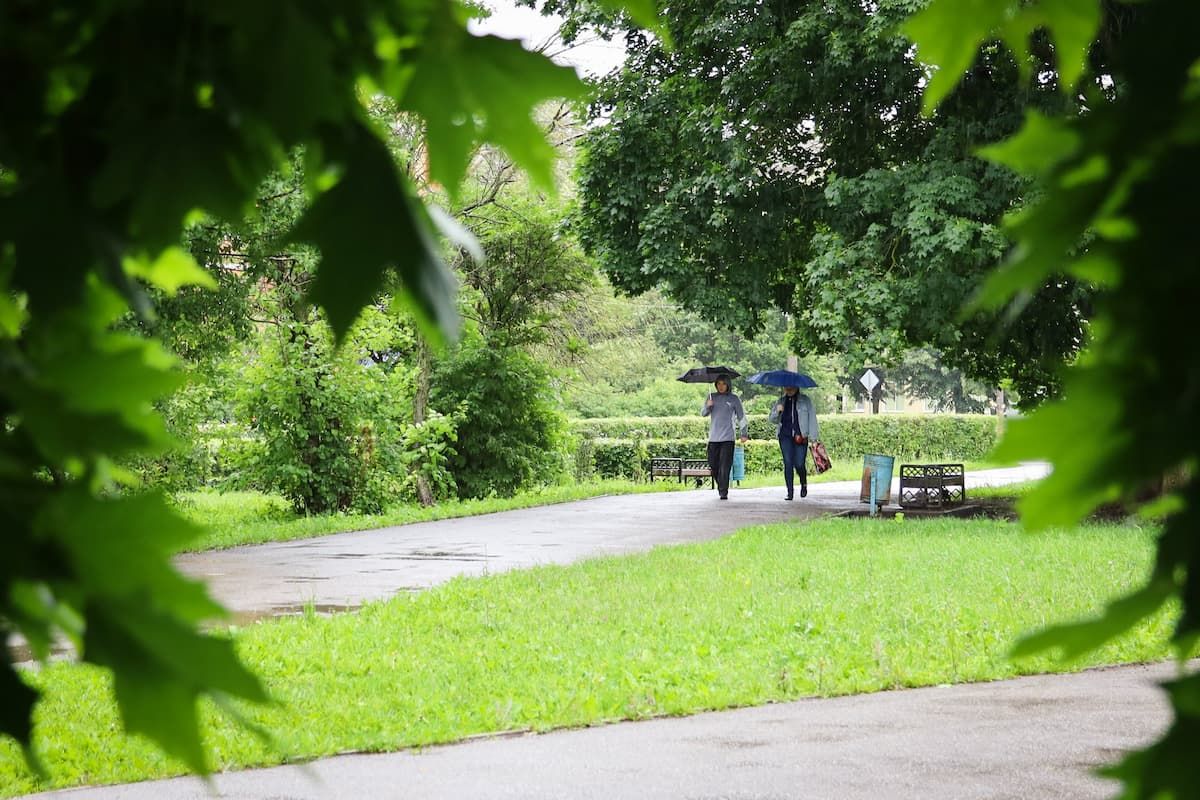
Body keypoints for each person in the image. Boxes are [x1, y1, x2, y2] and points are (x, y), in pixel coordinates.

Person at [700, 375, 748, 500]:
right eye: (719, 384)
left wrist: (744, 433)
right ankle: (721, 484)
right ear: (716, 385)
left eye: (724, 384)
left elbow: (741, 417)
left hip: (728, 438)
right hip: (714, 438)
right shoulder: (712, 397)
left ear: (728, 385)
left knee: (725, 466)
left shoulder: (733, 399)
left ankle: (723, 491)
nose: (721, 386)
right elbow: (703, 413)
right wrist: (708, 406)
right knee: (713, 464)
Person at [769, 385, 819, 500]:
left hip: (801, 437)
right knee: (788, 463)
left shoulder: (805, 400)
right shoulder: (781, 401)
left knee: (799, 463)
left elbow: (812, 418)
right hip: (785, 437)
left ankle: (803, 483)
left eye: (791, 387)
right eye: (787, 387)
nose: (789, 389)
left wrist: (813, 438)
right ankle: (790, 492)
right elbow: (772, 419)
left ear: (797, 387)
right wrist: (777, 411)